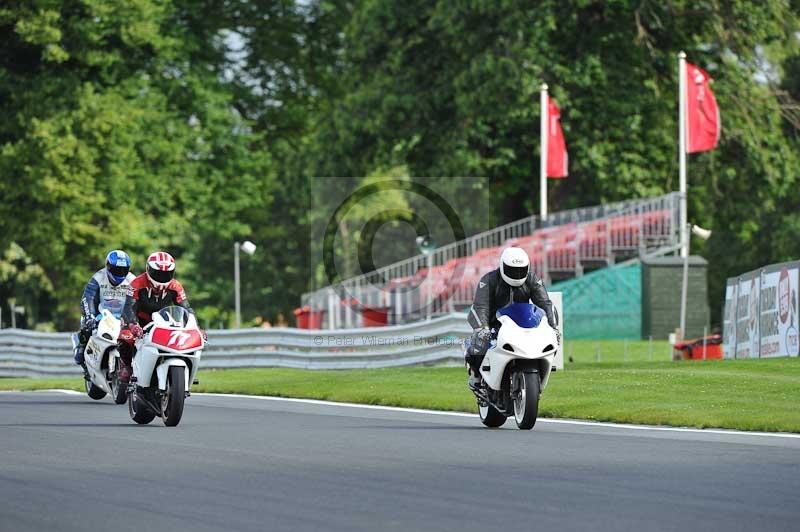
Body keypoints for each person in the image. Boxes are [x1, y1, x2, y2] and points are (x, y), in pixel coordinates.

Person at [465, 246, 559, 390]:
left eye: (521, 269)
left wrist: (554, 327)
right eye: (512, 269)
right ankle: (476, 374)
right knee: (479, 341)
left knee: (551, 338)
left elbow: (545, 303)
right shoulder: (488, 280)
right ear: (502, 266)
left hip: (521, 324)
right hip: (494, 323)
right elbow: (480, 306)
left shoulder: (532, 279)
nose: (517, 273)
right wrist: (482, 327)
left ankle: (539, 368)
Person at [116, 251, 193, 380]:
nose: (162, 277)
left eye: (166, 274)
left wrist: (194, 326)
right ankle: (127, 365)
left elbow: (186, 308)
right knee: (125, 336)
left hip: (162, 321)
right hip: (138, 319)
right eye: (158, 273)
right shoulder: (136, 284)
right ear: (148, 269)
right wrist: (133, 324)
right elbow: (128, 307)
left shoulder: (176, 286)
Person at [73, 250, 135, 376]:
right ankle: (83, 352)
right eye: (116, 270)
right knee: (87, 328)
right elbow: (87, 297)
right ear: (108, 267)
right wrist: (90, 316)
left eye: (123, 270)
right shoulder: (98, 277)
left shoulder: (132, 280)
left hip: (124, 316)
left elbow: (138, 301)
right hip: (102, 314)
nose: (120, 273)